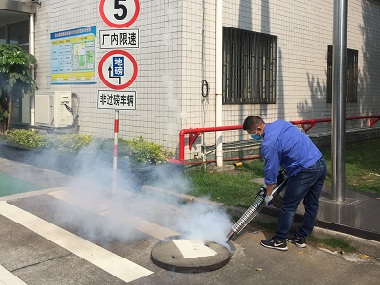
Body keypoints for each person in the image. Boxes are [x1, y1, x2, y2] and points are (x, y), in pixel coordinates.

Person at [243, 116, 327, 251]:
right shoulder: (281, 123)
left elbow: (270, 169)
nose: (254, 137)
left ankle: (279, 240)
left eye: (253, 134)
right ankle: (301, 237)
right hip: (320, 163)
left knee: (288, 205)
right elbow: (289, 147)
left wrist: (269, 193)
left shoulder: (269, 143)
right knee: (312, 204)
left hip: (304, 170)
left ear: (259, 129)